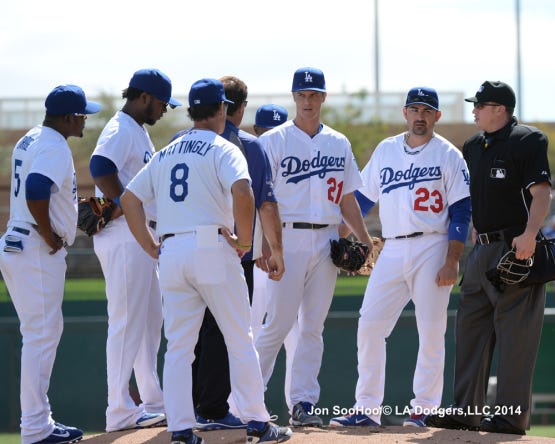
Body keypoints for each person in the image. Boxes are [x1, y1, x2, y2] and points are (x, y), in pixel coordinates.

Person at [120, 77, 292, 444]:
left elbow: (129, 200)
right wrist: (245, 240)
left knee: (180, 346)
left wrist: (150, 245)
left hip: (171, 251)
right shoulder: (223, 147)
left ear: (191, 111)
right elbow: (243, 191)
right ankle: (258, 423)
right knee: (239, 337)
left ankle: (181, 429)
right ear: (223, 109)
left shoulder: (169, 150)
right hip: (211, 247)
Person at [328, 87, 472, 428]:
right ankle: (366, 408)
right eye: (414, 109)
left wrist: (452, 259)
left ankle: (422, 407)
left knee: (431, 330)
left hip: (433, 245)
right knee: (370, 325)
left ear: (437, 116)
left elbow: (462, 211)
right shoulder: (387, 150)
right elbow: (362, 199)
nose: (420, 116)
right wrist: (340, 234)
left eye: (427, 110)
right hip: (390, 247)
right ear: (405, 113)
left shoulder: (449, 155)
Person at [425, 81, 551, 435]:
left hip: (516, 246)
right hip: (481, 250)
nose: (474, 110)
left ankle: (511, 417)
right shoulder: (472, 146)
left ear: (499, 109)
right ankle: (466, 412)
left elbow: (541, 194)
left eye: (479, 105)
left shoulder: (527, 139)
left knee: (516, 337)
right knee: (470, 330)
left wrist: (528, 236)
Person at [254, 67, 372, 427]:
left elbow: (348, 197)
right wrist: (265, 244)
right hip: (285, 237)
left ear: (323, 97)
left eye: (314, 94)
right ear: (294, 98)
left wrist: (365, 240)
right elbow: (261, 198)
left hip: (326, 239)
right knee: (277, 324)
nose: (308, 100)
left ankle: (303, 402)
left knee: (312, 327)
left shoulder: (338, 142)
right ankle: (247, 398)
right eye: (302, 95)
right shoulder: (271, 141)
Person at [0, 85, 101, 444]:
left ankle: (39, 420)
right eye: (82, 114)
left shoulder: (31, 137)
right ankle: (35, 428)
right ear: (68, 117)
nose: (85, 119)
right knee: (41, 336)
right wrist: (48, 231)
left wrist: (65, 214)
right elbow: (37, 188)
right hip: (34, 247)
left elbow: (40, 189)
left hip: (17, 240)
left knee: (40, 334)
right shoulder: (55, 145)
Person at [189, 77, 285, 431]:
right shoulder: (247, 145)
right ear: (237, 108)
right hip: (230, 246)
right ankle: (216, 409)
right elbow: (265, 204)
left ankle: (188, 408)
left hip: (185, 244)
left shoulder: (178, 143)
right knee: (229, 332)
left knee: (189, 332)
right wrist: (269, 249)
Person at [89, 68, 181, 432]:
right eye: (161, 103)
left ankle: (151, 401)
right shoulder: (120, 128)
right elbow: (99, 166)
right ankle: (118, 409)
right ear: (144, 97)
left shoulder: (137, 130)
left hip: (138, 233)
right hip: (123, 233)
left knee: (148, 322)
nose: (164, 110)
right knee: (127, 323)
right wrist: (123, 202)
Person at [251, 103, 298, 413]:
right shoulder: (252, 155)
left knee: (294, 332)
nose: (272, 135)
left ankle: (297, 402)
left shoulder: (289, 156)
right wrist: (257, 247)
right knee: (254, 329)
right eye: (267, 130)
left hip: (288, 248)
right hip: (259, 256)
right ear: (257, 132)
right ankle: (247, 400)